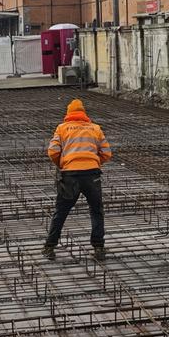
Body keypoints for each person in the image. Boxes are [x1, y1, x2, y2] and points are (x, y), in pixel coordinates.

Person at [43, 98, 112, 261]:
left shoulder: (62, 128)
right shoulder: (95, 128)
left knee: (61, 211)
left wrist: (63, 164)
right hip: (92, 176)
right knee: (96, 210)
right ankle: (99, 247)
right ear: (83, 113)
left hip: (70, 176)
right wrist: (94, 163)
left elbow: (52, 152)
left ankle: (50, 246)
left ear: (68, 114)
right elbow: (107, 153)